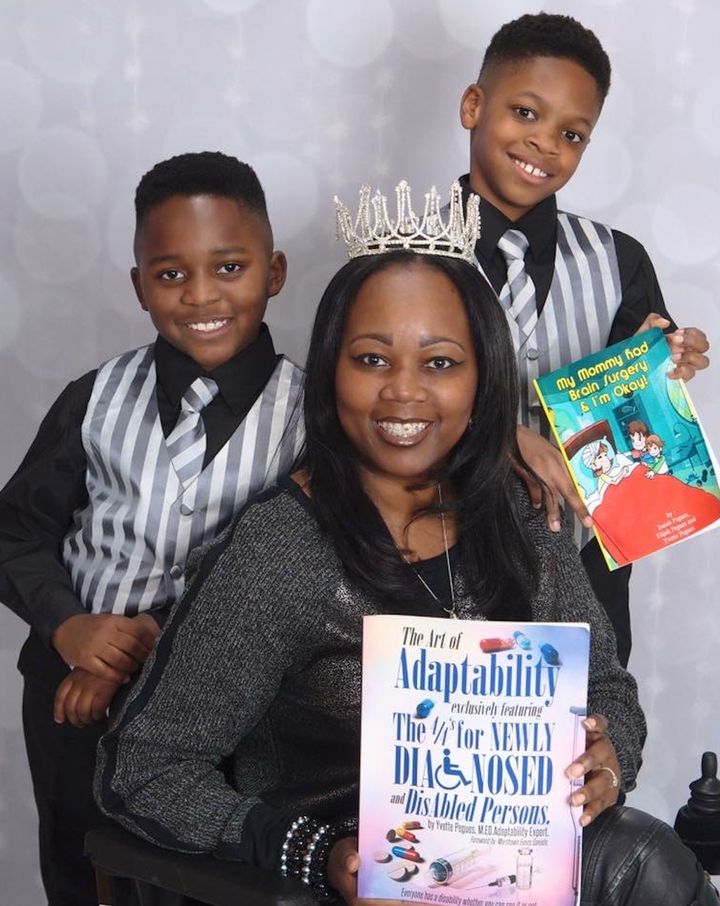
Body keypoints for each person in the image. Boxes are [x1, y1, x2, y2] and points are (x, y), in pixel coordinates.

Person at [95, 183, 717, 906]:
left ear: (483, 377)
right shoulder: (282, 549)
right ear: (331, 371)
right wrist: (309, 853)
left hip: (519, 869)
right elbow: (144, 766)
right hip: (356, 881)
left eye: (441, 363)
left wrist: (610, 759)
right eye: (371, 360)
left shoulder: (514, 515)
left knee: (645, 856)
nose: (404, 394)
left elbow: (606, 687)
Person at [0, 151, 303, 906]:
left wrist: (140, 652)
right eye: (171, 275)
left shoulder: (316, 419)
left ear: (274, 270)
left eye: (229, 267)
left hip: (234, 725)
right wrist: (71, 631)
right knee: (84, 878)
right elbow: (15, 533)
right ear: (139, 285)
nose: (202, 295)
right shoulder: (94, 398)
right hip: (74, 706)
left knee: (206, 886)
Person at [456, 12, 710, 667]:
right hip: (434, 583)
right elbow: (354, 416)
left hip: (582, 592)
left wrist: (657, 371)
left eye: (571, 133)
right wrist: (498, 434)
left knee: (585, 762)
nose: (544, 143)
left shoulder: (618, 261)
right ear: (473, 106)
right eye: (525, 113)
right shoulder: (402, 252)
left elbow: (636, 440)